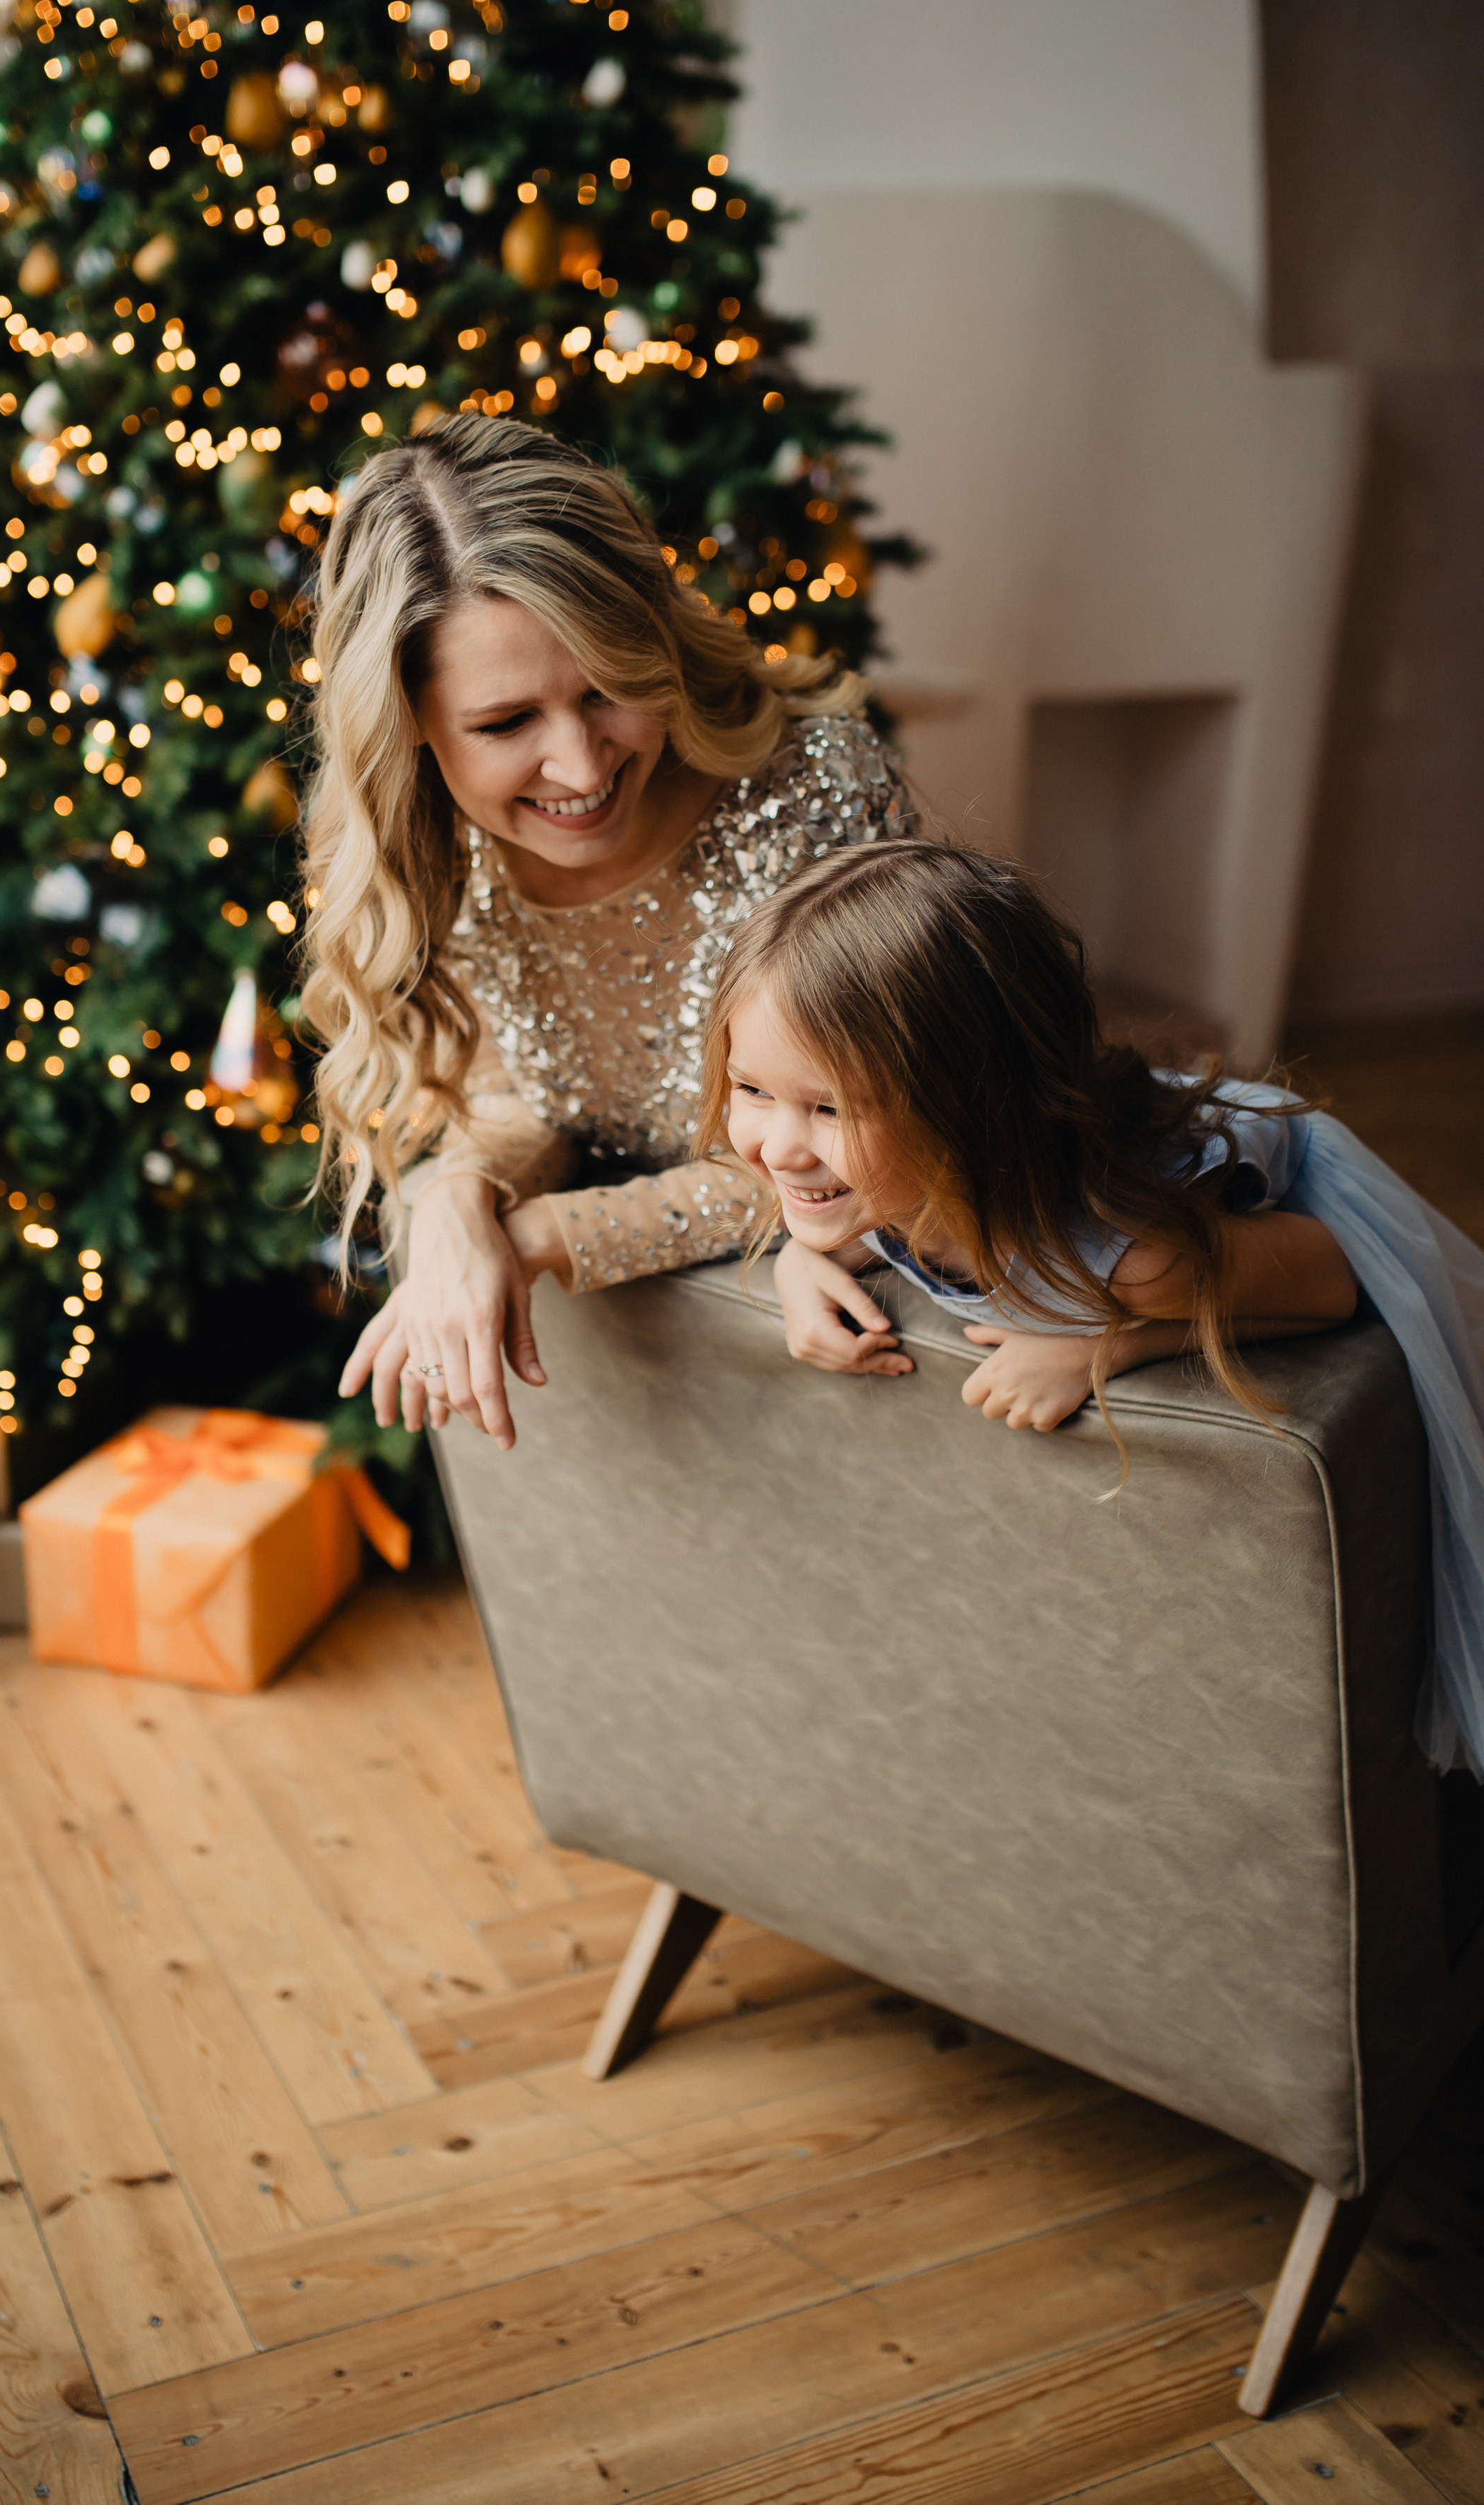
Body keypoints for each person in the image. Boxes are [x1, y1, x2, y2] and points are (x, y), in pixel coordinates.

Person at [696, 838, 1484, 1777]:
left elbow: (1333, 1282)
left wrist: (1107, 1347)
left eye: (831, 1109)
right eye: (753, 1090)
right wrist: (800, 1260)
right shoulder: (879, 1182)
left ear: (966, 1108)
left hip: (1233, 1198)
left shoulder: (1132, 1261)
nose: (779, 1147)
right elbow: (845, 1203)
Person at [299, 415, 913, 1451]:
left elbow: (889, 1140)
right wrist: (455, 1202)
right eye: (506, 724)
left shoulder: (809, 793)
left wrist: (548, 1233)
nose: (582, 768)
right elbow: (518, 1096)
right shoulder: (446, 856)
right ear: (408, 722)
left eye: (610, 690)